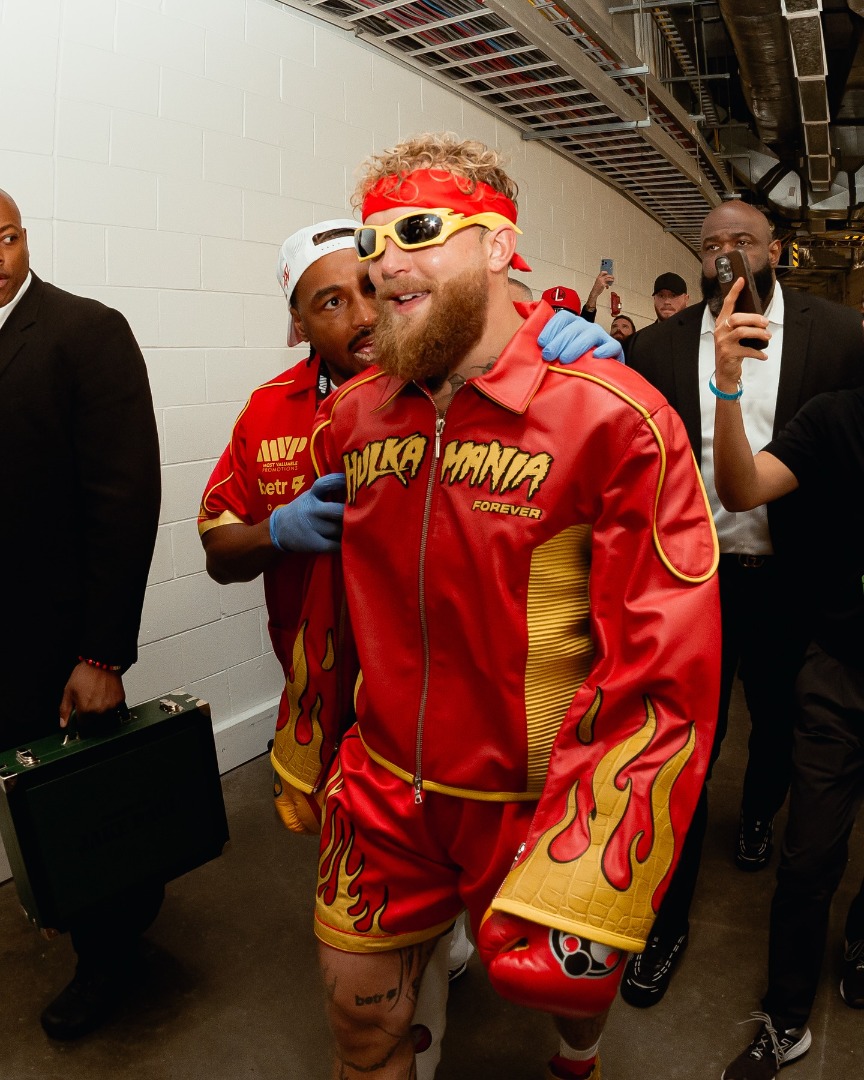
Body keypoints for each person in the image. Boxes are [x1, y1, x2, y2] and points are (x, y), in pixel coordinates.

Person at [276, 132, 721, 1080]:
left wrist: (599, 845)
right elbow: (331, 608)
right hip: (382, 789)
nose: (384, 263)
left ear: (498, 245)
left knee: (567, 1003)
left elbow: (664, 664)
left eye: (419, 232)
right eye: (372, 240)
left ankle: (578, 1058)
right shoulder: (353, 415)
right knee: (359, 1027)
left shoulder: (614, 415)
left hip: (530, 802)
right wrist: (308, 740)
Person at [199, 217, 616, 1079]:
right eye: (329, 302)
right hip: (357, 727)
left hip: (500, 740)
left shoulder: (487, 385)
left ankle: (575, 1048)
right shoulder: (275, 413)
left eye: (368, 287)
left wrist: (561, 349)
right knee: (381, 990)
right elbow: (218, 546)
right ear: (296, 323)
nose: (361, 313)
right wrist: (278, 530)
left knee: (553, 968)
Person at [624, 198, 864, 1009]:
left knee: (780, 725)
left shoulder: (839, 336)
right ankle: (665, 919)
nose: (726, 254)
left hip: (799, 581)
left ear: (776, 250)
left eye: (743, 241)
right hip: (691, 582)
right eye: (711, 244)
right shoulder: (655, 348)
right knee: (685, 747)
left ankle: (760, 813)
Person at [0, 189, 162, 1039]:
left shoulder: (85, 331)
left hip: (58, 640)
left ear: (25, 238)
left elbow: (124, 498)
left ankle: (114, 958)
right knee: (29, 809)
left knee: (83, 809)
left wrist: (102, 653)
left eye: (3, 239)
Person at [712, 276, 864, 1079]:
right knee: (807, 859)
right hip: (839, 673)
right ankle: (786, 1018)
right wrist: (726, 386)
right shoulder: (836, 417)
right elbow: (742, 489)